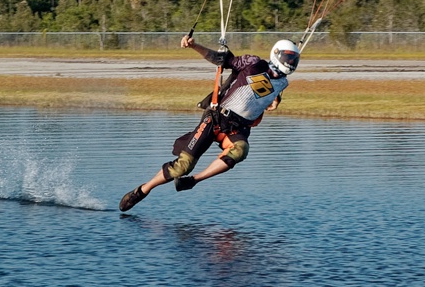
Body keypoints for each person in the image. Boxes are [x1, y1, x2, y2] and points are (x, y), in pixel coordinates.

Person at [119, 33, 301, 212]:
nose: (290, 62)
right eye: (288, 57)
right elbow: (222, 60)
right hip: (216, 117)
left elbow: (266, 93)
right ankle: (143, 190)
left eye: (294, 60)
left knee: (241, 150)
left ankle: (193, 181)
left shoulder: (283, 83)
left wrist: (273, 101)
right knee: (183, 166)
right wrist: (193, 45)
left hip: (237, 127)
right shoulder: (254, 63)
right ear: (276, 53)